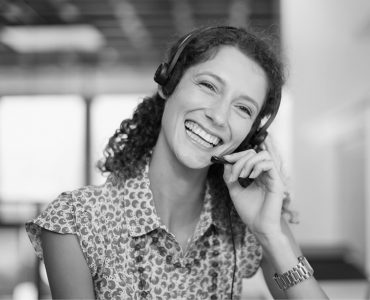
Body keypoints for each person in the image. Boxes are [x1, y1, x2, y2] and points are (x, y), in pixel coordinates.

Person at [26, 26, 328, 300]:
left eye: (243, 108)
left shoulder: (253, 219)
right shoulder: (76, 222)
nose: (219, 117)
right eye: (209, 86)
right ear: (167, 83)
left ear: (252, 134)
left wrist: (271, 235)